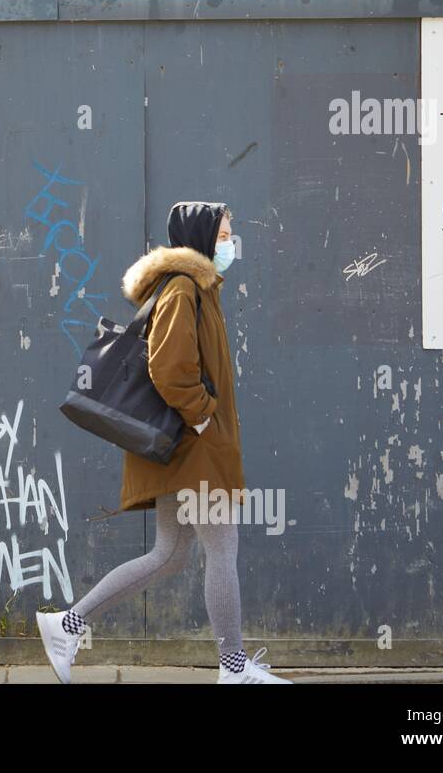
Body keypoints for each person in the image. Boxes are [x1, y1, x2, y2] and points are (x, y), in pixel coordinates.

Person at [37, 201, 292, 684]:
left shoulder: (197, 289)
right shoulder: (182, 288)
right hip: (192, 450)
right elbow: (169, 367)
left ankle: (66, 626)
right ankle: (234, 669)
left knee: (170, 556)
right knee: (222, 551)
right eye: (222, 236)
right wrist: (200, 418)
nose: (230, 245)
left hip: (184, 452)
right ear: (199, 238)